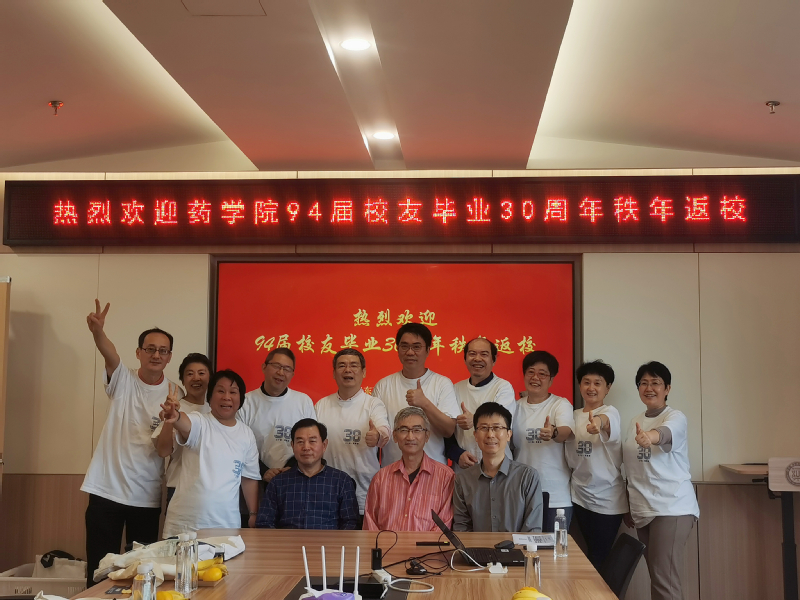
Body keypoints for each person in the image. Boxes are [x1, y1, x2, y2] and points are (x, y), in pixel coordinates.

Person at [81, 300, 176, 586]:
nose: (156, 355)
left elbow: (165, 449)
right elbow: (109, 353)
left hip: (145, 496)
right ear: (139, 352)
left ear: (169, 357)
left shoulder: (175, 393)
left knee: (142, 575)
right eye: (150, 349)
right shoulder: (124, 379)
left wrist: (169, 421)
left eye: (162, 350)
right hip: (106, 489)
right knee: (99, 571)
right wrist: (98, 332)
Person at [623, 361, 699, 600]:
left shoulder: (675, 417)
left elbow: (664, 434)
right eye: (643, 383)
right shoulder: (634, 420)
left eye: (655, 383)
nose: (649, 388)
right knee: (658, 578)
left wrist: (650, 437)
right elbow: (632, 468)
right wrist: (629, 504)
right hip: (643, 509)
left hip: (671, 507)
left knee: (665, 581)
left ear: (667, 388)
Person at [161, 369, 260, 537]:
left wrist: (253, 513)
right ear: (210, 397)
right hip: (185, 525)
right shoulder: (200, 421)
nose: (226, 397)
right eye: (220, 391)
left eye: (233, 392)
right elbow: (185, 422)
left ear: (241, 399)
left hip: (227, 525)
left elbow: (249, 478)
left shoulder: (247, 434)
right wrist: (175, 416)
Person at [565, 360, 627, 570]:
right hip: (579, 497)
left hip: (607, 499)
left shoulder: (611, 411)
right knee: (585, 556)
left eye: (597, 383)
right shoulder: (572, 416)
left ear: (607, 388)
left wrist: (598, 423)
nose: (591, 387)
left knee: (599, 557)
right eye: (586, 382)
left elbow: (605, 420)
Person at [314, 349, 390, 520]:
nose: (348, 370)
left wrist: (377, 436)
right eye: (342, 365)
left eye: (354, 365)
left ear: (363, 372)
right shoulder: (321, 405)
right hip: (327, 491)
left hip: (364, 492)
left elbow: (384, 430)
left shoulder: (373, 404)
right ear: (334, 373)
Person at [372, 323, 459, 466]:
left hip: (434, 471)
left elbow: (449, 430)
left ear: (428, 350)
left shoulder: (442, 383)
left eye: (417, 347)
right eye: (404, 346)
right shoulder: (383, 386)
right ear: (397, 349)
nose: (410, 352)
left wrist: (424, 403)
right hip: (392, 471)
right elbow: (377, 433)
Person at [453, 402, 543, 532]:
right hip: (476, 546)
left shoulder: (528, 477)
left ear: (508, 435)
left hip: (518, 546)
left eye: (497, 428)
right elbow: (461, 529)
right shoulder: (463, 480)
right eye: (484, 428)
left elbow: (532, 531)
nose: (490, 434)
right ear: (475, 435)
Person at [512, 350, 575, 533]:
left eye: (542, 374)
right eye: (530, 372)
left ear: (551, 379)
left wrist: (553, 432)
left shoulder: (560, 404)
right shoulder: (515, 407)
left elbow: (566, 432)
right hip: (522, 493)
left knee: (554, 548)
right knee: (522, 547)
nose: (535, 378)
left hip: (555, 494)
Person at [256, 418, 359, 530]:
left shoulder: (342, 481)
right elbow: (264, 522)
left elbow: (350, 523)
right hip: (288, 541)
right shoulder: (278, 483)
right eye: (300, 442)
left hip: (329, 541)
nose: (306, 447)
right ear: (292, 445)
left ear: (324, 445)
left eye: (312, 441)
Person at [363, 407, 455, 531]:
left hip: (429, 544)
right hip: (387, 544)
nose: (410, 437)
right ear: (395, 436)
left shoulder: (446, 477)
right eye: (404, 430)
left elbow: (444, 525)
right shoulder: (381, 478)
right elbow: (370, 523)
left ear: (427, 436)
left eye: (417, 430)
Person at [237, 348, 315, 482]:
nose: (281, 372)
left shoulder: (303, 401)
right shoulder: (245, 402)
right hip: (255, 478)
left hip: (295, 477)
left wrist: (292, 468)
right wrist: (263, 471)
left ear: (292, 374)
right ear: (264, 367)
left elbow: (311, 441)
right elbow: (239, 445)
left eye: (287, 369)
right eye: (276, 366)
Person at [152, 353, 212, 502]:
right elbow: (163, 451)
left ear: (210, 377)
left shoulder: (216, 410)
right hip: (179, 487)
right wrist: (170, 419)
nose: (196, 378)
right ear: (183, 381)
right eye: (190, 374)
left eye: (201, 373)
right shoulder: (175, 408)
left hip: (209, 489)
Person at [449, 338, 516, 470]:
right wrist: (457, 454)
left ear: (493, 360)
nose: (477, 359)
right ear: (465, 359)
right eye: (472, 354)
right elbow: (447, 430)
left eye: (484, 354)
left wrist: (474, 420)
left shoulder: (503, 387)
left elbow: (500, 422)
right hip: (465, 467)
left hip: (497, 467)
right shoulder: (455, 388)